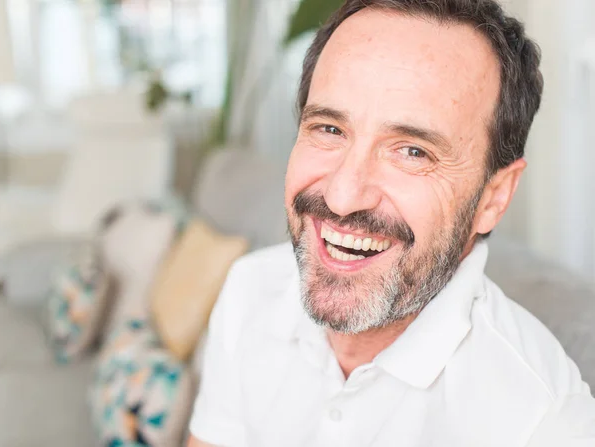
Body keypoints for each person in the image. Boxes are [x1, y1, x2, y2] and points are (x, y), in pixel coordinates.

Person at [187, 0, 595, 445]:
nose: (342, 197)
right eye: (329, 128)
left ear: (494, 197)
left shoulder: (542, 419)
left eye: (413, 151)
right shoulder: (250, 289)